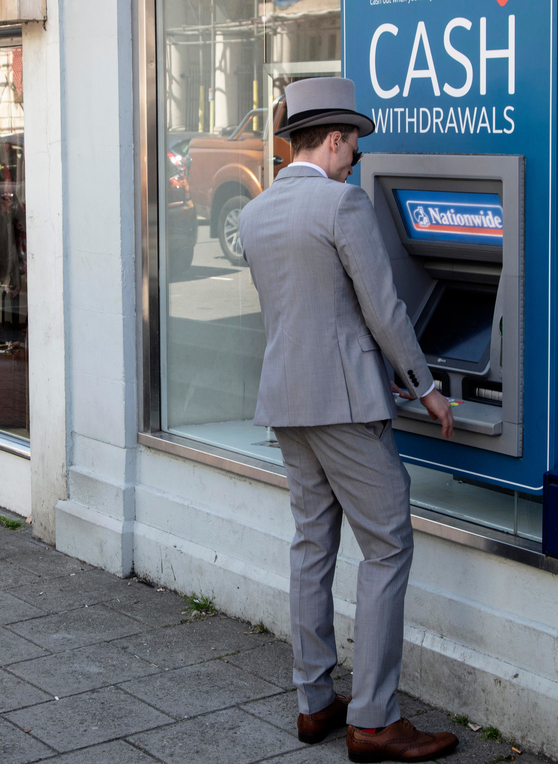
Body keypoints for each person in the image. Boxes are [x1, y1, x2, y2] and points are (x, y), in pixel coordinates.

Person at [238, 77, 459, 762]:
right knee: (388, 543)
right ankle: (375, 718)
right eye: (353, 145)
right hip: (346, 404)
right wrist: (426, 387)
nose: (355, 156)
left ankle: (314, 702)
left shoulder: (257, 212)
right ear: (333, 140)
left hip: (288, 402)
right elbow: (384, 307)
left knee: (312, 546)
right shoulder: (342, 205)